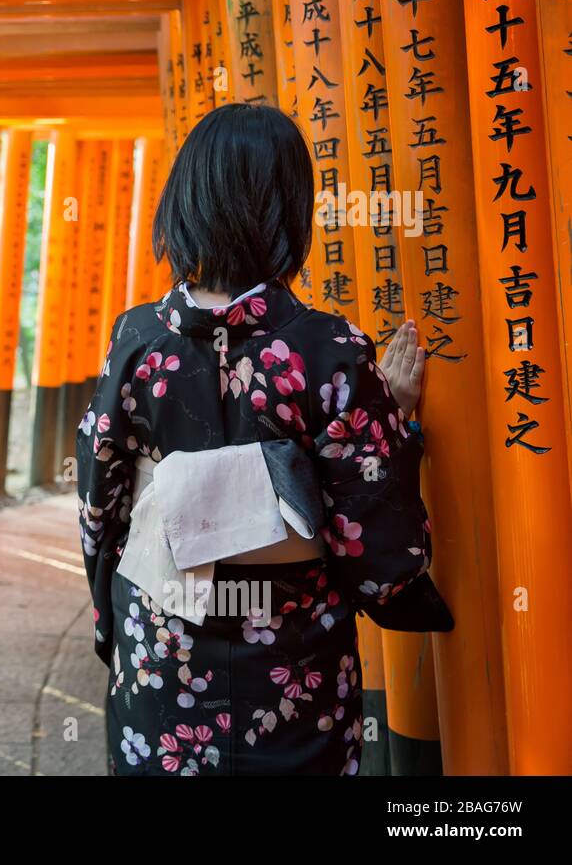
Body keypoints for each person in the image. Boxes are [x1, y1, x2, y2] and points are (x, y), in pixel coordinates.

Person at [76, 102, 452, 776]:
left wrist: (111, 616)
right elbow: (376, 543)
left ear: (184, 202)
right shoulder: (330, 350)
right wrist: (391, 420)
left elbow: (99, 504)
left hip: (164, 645)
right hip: (294, 663)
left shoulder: (136, 341)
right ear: (290, 209)